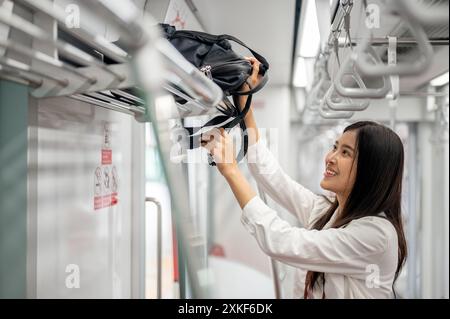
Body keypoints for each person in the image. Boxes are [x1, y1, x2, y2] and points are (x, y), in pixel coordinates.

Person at [201, 57, 407, 299]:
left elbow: (282, 241)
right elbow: (273, 177)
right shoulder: (330, 212)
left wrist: (231, 170)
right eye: (335, 147)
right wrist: (246, 104)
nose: (330, 157)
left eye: (345, 153)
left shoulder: (377, 235)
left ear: (370, 171)